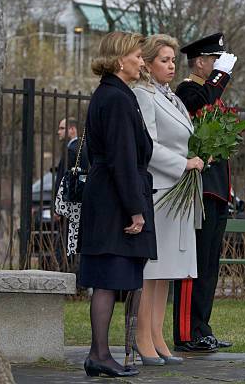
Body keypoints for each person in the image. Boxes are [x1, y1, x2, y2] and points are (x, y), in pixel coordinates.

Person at [77, 31, 156, 378]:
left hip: (107, 194)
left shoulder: (111, 94)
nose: (142, 61)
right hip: (114, 199)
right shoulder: (118, 98)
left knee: (109, 277)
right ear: (120, 59)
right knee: (109, 278)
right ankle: (99, 353)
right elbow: (123, 158)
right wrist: (135, 209)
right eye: (138, 56)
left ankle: (100, 353)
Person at [132, 34, 204, 366]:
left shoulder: (171, 96)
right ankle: (141, 338)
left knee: (166, 272)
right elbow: (148, 145)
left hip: (179, 189)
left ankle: (158, 336)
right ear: (146, 63)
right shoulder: (144, 94)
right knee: (152, 271)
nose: (172, 65)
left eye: (174, 60)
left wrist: (199, 155)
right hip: (160, 188)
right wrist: (182, 162)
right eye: (164, 60)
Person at [173, 33, 237, 353]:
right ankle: (187, 331)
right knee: (193, 264)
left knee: (209, 265)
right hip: (196, 189)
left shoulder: (209, 90)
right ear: (200, 61)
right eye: (214, 59)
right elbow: (199, 102)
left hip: (215, 190)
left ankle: (203, 327)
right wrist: (220, 75)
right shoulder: (187, 89)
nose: (217, 65)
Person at [53, 117, 88, 271]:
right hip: (78, 205)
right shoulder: (82, 147)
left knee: (66, 241)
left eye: (62, 128)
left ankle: (67, 274)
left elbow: (64, 179)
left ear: (72, 129)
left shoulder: (73, 149)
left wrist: (59, 206)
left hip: (70, 205)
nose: (58, 132)